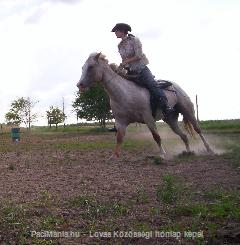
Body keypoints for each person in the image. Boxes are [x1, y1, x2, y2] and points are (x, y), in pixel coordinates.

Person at [111, 23, 174, 121]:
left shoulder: (135, 40)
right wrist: (120, 69)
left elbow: (139, 56)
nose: (115, 33)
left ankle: (165, 107)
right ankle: (120, 117)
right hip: (130, 72)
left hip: (141, 69)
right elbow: (123, 60)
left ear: (122, 31)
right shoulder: (119, 46)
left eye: (116, 31)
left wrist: (126, 62)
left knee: (152, 85)